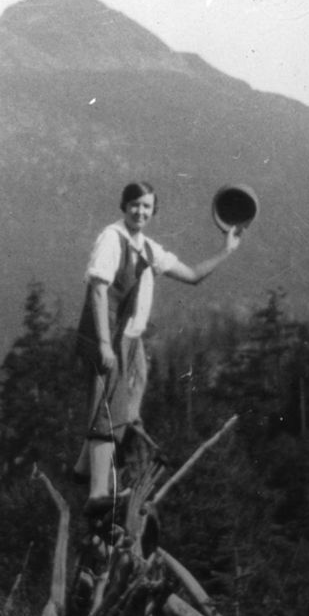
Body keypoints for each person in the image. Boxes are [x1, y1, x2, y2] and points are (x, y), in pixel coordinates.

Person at [74, 180, 244, 511]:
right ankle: (97, 494)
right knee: (110, 411)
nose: (140, 211)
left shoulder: (149, 249)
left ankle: (84, 468)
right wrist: (106, 346)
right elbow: (97, 289)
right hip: (107, 335)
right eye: (135, 204)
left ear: (153, 212)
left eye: (147, 207)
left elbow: (193, 275)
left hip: (132, 339)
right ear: (124, 206)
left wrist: (227, 250)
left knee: (123, 410)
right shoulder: (112, 238)